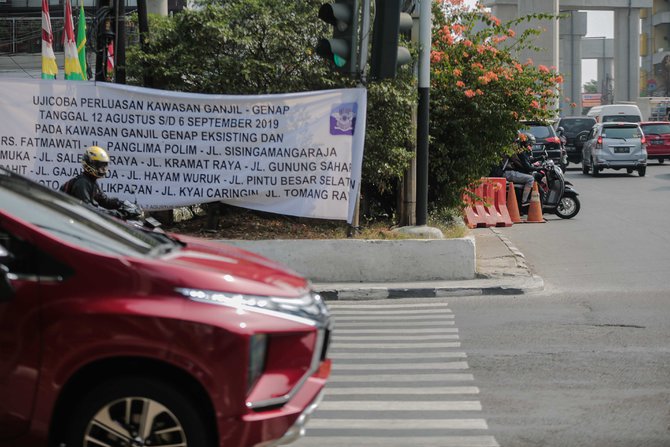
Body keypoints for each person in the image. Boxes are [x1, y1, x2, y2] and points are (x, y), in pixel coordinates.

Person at [60, 146, 124, 212]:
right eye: (100, 165)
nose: (103, 169)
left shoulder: (91, 181)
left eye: (104, 165)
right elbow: (88, 209)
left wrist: (122, 204)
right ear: (90, 164)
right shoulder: (82, 183)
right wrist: (113, 214)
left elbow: (105, 202)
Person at [503, 132, 537, 206]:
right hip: (506, 172)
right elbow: (519, 162)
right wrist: (530, 167)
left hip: (509, 171)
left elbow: (524, 162)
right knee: (530, 179)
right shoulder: (512, 150)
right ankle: (524, 201)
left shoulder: (516, 150)